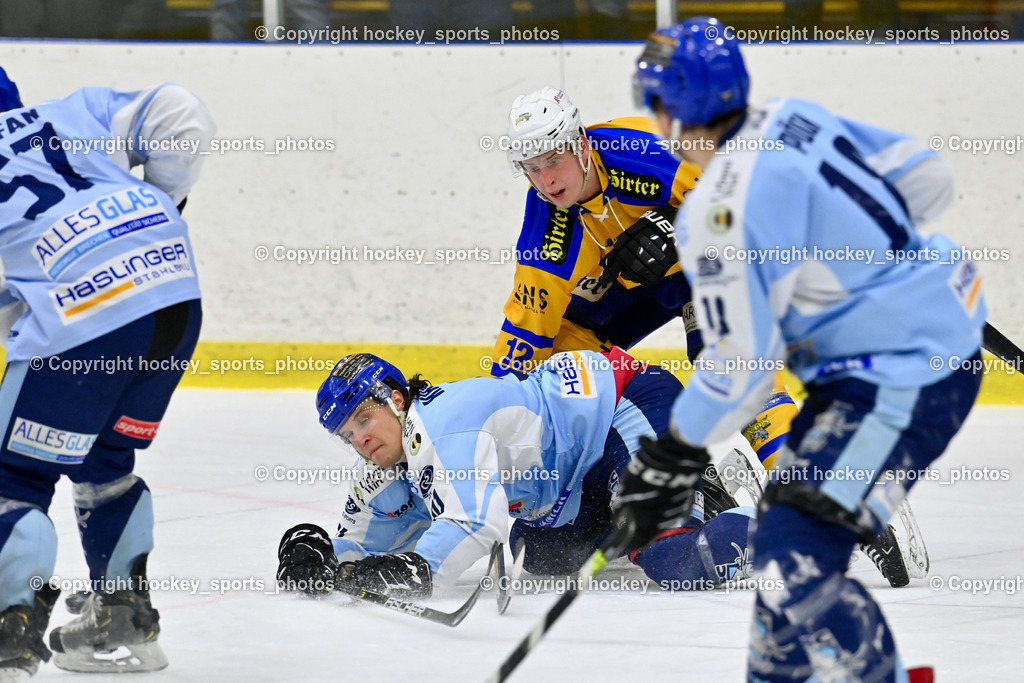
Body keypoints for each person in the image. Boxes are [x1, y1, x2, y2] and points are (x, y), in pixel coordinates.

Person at [614, 17, 985, 682]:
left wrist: (670, 456)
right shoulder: (793, 116)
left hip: (904, 376)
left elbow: (740, 371)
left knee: (792, 555)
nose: (654, 117)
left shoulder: (715, 214)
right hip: (928, 330)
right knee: (786, 548)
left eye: (658, 102)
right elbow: (929, 180)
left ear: (677, 109)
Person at [0, 67, 214, 677]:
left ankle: (9, 629)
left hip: (86, 321)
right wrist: (165, 204)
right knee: (104, 462)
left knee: (13, 477)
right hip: (174, 299)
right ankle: (121, 612)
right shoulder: (72, 114)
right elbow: (181, 110)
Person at [276, 350, 757, 598]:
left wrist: (418, 570)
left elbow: (475, 523)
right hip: (572, 477)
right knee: (544, 554)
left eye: (363, 418)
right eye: (347, 434)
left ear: (395, 399)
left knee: (674, 561)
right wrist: (315, 548)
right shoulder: (387, 465)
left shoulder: (439, 426)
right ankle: (668, 495)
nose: (359, 439)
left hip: (619, 409)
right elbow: (369, 543)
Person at [491, 86, 703, 377]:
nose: (546, 181)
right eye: (532, 168)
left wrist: (681, 226)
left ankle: (776, 422)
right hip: (625, 287)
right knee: (559, 362)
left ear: (582, 146)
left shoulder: (648, 151)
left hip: (704, 269)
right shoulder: (546, 216)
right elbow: (530, 321)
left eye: (553, 160)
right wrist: (500, 399)